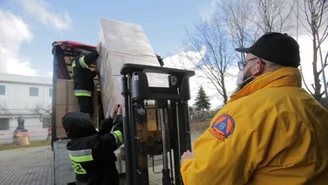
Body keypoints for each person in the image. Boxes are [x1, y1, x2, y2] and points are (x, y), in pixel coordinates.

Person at [180, 32, 328, 185]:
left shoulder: (246, 111)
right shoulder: (316, 108)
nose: (242, 69)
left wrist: (188, 164)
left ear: (257, 66)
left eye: (244, 64)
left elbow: (204, 179)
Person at [62, 104, 123, 185]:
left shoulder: (74, 143)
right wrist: (120, 117)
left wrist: (110, 118)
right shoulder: (92, 145)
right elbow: (118, 136)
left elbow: (98, 133)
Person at [72, 43, 101, 117]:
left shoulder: (80, 68)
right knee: (86, 113)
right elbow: (86, 60)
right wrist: (97, 52)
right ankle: (84, 127)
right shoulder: (77, 61)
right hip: (83, 93)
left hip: (85, 92)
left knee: (89, 112)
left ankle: (86, 126)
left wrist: (95, 72)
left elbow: (86, 77)